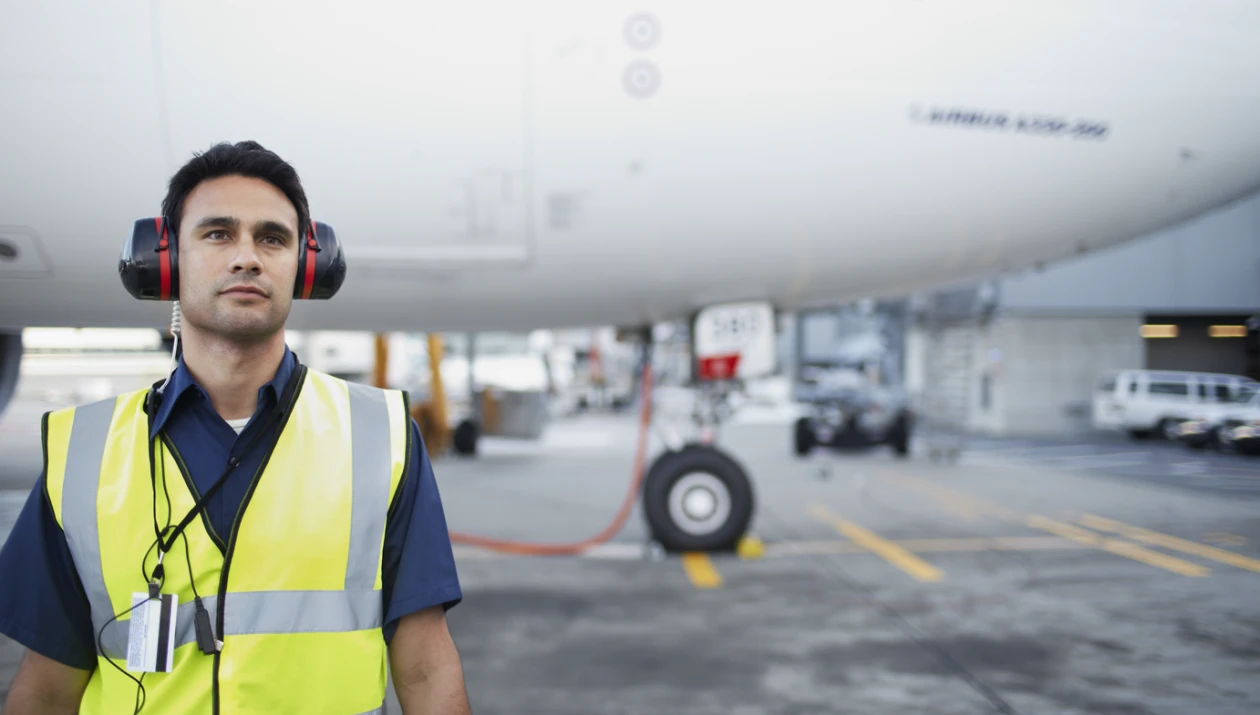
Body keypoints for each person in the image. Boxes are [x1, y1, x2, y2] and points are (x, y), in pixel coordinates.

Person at [0, 141, 472, 714]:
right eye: (218, 234)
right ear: (165, 260)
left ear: (305, 266)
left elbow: (425, 668)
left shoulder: (384, 436)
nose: (247, 257)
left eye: (272, 238)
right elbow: (47, 688)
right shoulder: (82, 450)